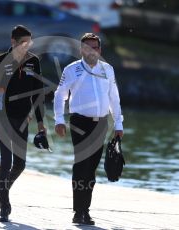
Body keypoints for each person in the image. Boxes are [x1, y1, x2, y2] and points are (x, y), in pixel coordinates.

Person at [53, 33, 124, 225]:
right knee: (81, 163)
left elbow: (114, 98)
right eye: (87, 47)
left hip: (101, 123)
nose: (91, 51)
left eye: (94, 47)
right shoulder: (72, 69)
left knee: (91, 167)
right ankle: (79, 211)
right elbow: (60, 95)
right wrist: (59, 119)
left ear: (99, 50)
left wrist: (118, 123)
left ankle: (86, 210)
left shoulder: (107, 69)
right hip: (79, 122)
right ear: (81, 50)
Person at [0, 25, 46, 222]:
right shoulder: (0, 61)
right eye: (23, 43)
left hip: (22, 119)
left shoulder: (33, 62)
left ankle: (2, 190)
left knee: (20, 164)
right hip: (3, 117)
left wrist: (41, 122)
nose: (26, 46)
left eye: (29, 42)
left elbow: (38, 93)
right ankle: (4, 207)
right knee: (6, 160)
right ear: (13, 42)